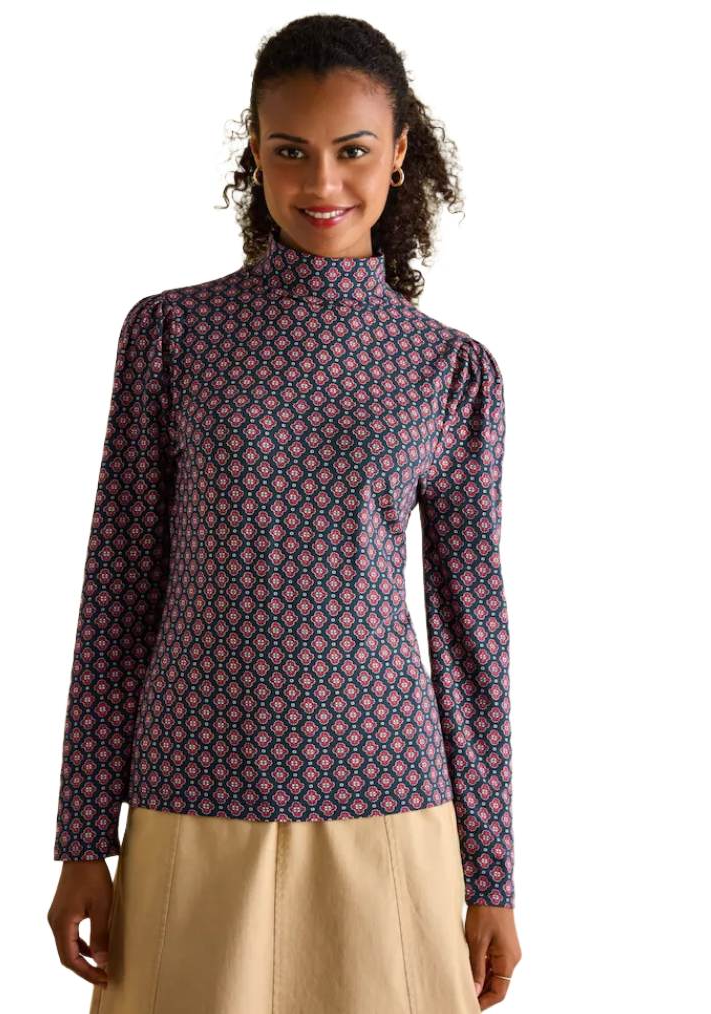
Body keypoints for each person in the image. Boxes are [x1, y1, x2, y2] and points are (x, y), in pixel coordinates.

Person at [47, 14, 522, 1014]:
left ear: (399, 155)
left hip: (388, 793)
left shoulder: (452, 372)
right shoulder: (171, 335)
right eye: (290, 150)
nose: (322, 182)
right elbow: (118, 593)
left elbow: (471, 636)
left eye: (353, 150)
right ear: (254, 154)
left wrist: (492, 878)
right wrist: (83, 837)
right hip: (191, 787)